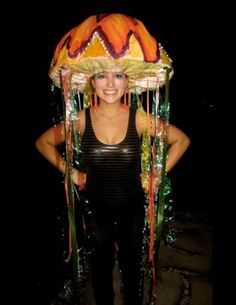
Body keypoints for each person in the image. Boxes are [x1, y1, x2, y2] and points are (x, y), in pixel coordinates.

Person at [35, 14, 190, 305]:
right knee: (101, 270)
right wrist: (70, 172)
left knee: (132, 270)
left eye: (118, 75)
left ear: (127, 81)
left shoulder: (139, 119)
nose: (110, 83)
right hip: (96, 212)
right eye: (102, 75)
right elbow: (43, 142)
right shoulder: (81, 120)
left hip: (132, 209)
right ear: (92, 81)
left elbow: (181, 140)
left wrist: (157, 175)